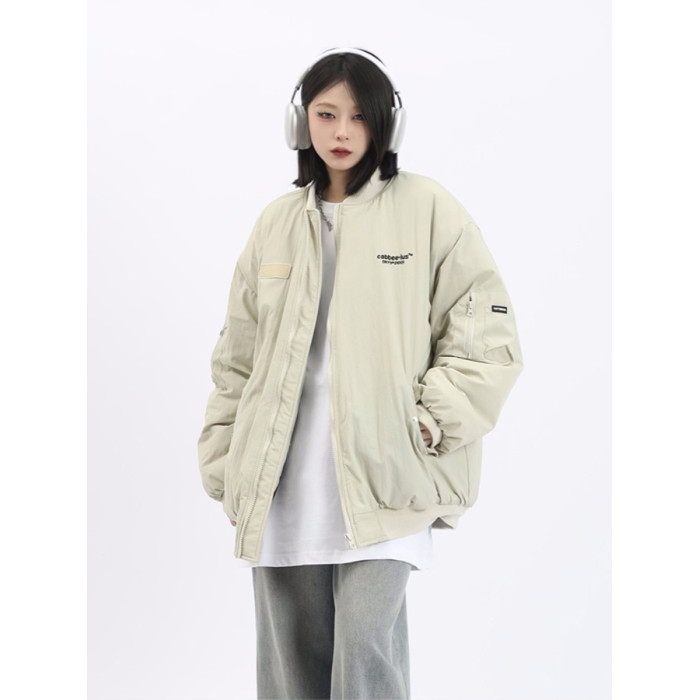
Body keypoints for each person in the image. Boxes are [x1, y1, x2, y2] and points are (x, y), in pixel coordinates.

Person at [197, 47, 523, 700]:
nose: (341, 131)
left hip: (387, 478)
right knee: (291, 668)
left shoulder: (427, 208)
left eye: (358, 116)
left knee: (367, 649)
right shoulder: (275, 223)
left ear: (385, 125)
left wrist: (430, 421)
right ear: (301, 123)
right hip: (285, 484)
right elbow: (237, 358)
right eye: (326, 114)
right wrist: (231, 468)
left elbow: (486, 329)